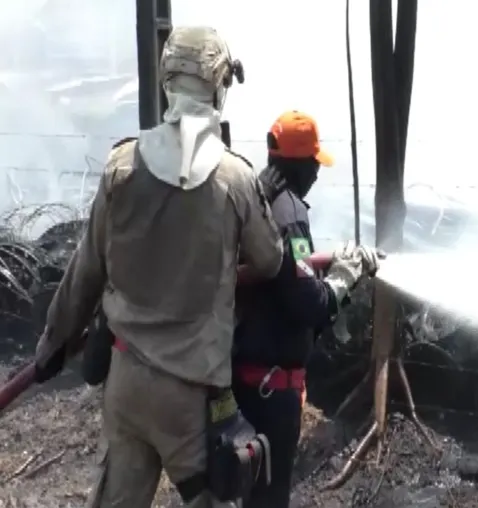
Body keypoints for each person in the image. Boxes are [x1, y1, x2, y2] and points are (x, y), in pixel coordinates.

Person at [32, 26, 284, 508]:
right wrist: (257, 206)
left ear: (166, 80)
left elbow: (85, 272)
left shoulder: (121, 166)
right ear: (218, 87)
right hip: (189, 395)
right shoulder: (235, 178)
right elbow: (271, 261)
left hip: (126, 381)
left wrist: (51, 344)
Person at [233, 110, 383, 507]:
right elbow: (310, 306)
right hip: (271, 395)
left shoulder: (252, 206)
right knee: (269, 497)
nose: (317, 174)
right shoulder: (291, 212)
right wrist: (345, 277)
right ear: (297, 166)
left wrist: (330, 260)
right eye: (313, 164)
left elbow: (278, 273)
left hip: (237, 385)